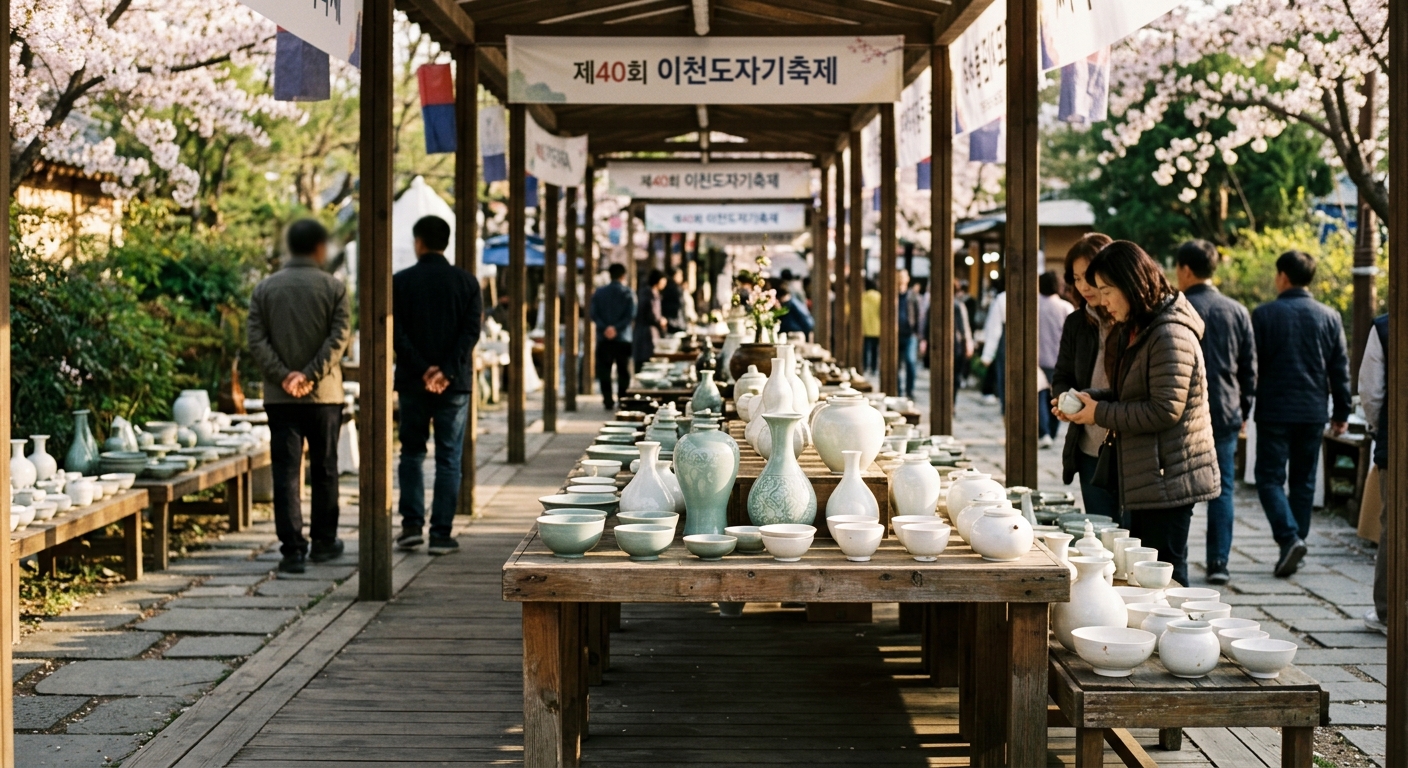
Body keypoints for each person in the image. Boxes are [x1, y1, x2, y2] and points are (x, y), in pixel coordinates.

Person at [1056, 240, 1219, 587]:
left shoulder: (1169, 333)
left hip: (1167, 476)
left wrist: (1100, 413)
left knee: (1165, 574)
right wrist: (1091, 399)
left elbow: (1164, 410)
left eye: (1106, 291)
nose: (1102, 301)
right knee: (1145, 573)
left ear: (1130, 284)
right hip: (1149, 473)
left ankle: (1186, 623)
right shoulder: (1140, 328)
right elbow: (1131, 393)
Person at [248, 219, 352, 574]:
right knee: (325, 470)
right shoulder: (334, 288)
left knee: (286, 472)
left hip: (281, 397)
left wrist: (284, 376)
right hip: (324, 395)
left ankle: (292, 549)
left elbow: (256, 340)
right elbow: (339, 338)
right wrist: (310, 375)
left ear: (290, 246)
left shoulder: (264, 288)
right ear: (320, 248)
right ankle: (324, 541)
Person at [1251, 250, 1351, 578]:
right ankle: (1296, 543)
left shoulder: (1264, 315)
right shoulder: (1330, 316)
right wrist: (1341, 411)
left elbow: (1252, 365)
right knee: (1304, 481)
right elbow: (1339, 369)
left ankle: (1289, 538)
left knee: (1269, 478)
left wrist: (1245, 402)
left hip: (1274, 410)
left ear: (1283, 276)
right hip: (1312, 410)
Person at [390, 216, 482, 555]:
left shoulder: (400, 282)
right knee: (449, 458)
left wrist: (423, 369)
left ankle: (412, 526)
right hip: (454, 385)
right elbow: (470, 332)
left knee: (411, 453)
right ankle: (441, 533)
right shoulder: (467, 282)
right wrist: (446, 371)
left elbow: (396, 332)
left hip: (413, 383)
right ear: (446, 241)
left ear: (418, 242)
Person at [1174, 240, 1256, 585]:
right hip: (1225, 409)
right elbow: (1248, 368)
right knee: (1223, 488)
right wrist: (1244, 408)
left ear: (1185, 270)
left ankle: (1176, 563)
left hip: (1183, 412)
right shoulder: (1237, 310)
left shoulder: (1177, 307)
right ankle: (1219, 561)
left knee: (1180, 490)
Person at [1052, 233, 1117, 521]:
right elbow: (1062, 374)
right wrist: (1064, 399)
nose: (1083, 286)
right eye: (1077, 278)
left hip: (1127, 445)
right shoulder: (1076, 322)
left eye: (1089, 277)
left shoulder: (1132, 322)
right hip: (1089, 444)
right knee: (1099, 529)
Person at [1360, 313, 1389, 634]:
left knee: (1393, 524)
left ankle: (1387, 611)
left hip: (1397, 443)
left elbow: (1371, 393)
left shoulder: (1385, 326)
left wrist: (1382, 428)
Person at [589, 264, 637, 409]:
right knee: (623, 371)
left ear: (610, 275)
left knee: (604, 370)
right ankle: (622, 399)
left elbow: (593, 314)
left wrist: (605, 328)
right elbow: (631, 315)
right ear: (623, 275)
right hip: (623, 337)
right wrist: (616, 328)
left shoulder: (599, 292)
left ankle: (608, 400)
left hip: (604, 338)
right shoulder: (628, 292)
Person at [1038, 271, 1075, 448]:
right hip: (1059, 360)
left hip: (1038, 360)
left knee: (1039, 398)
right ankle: (1051, 432)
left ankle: (1043, 432)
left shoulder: (1034, 305)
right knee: (1057, 398)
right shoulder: (1065, 307)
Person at [633, 268, 668, 369]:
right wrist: (661, 320)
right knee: (646, 365)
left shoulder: (648, 292)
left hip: (645, 333)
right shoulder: (650, 294)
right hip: (647, 335)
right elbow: (653, 315)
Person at [980, 281, 1007, 410]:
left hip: (1005, 340)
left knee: (1005, 379)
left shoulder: (1002, 298)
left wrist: (987, 354)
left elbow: (994, 327)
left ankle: (1006, 411)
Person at [898, 270, 921, 399]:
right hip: (896, 334)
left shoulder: (912, 295)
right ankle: (897, 390)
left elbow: (918, 314)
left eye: (903, 276)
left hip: (910, 333)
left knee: (910, 361)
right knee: (895, 364)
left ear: (907, 279)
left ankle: (909, 390)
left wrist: (918, 333)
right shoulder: (893, 295)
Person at [952, 279, 974, 400]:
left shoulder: (958, 305)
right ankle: (951, 402)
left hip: (956, 344)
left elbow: (964, 326)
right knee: (955, 375)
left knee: (954, 375)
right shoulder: (958, 305)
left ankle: (951, 402)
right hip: (956, 344)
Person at [861, 278, 881, 374]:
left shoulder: (863, 296)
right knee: (874, 350)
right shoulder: (879, 296)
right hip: (876, 327)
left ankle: (864, 366)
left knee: (865, 348)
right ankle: (873, 367)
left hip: (865, 327)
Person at [661, 267, 685, 332]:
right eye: (680, 275)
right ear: (674, 276)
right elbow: (680, 305)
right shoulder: (674, 288)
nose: (681, 278)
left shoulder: (667, 287)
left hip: (671, 320)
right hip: (675, 321)